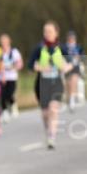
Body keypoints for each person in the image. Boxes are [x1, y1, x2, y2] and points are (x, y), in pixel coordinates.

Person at [27, 21, 67, 150]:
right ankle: (48, 131)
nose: (47, 34)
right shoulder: (39, 48)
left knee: (53, 109)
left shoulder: (62, 48)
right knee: (45, 113)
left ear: (56, 33)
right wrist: (39, 67)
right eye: (45, 31)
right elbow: (30, 65)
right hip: (41, 84)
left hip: (57, 83)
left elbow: (72, 63)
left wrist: (65, 67)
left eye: (50, 31)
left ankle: (52, 136)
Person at [0, 33, 23, 120]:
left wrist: (13, 67)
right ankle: (4, 112)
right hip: (1, 77)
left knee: (10, 94)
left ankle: (13, 106)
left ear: (9, 41)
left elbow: (20, 64)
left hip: (12, 77)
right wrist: (2, 74)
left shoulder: (14, 52)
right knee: (2, 95)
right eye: (2, 41)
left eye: (5, 41)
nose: (4, 43)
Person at [63, 30, 85, 111]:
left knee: (74, 80)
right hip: (66, 67)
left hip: (76, 67)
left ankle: (72, 99)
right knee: (68, 84)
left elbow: (83, 56)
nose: (71, 39)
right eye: (70, 38)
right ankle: (70, 98)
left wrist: (79, 58)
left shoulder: (78, 47)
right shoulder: (64, 47)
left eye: (73, 38)